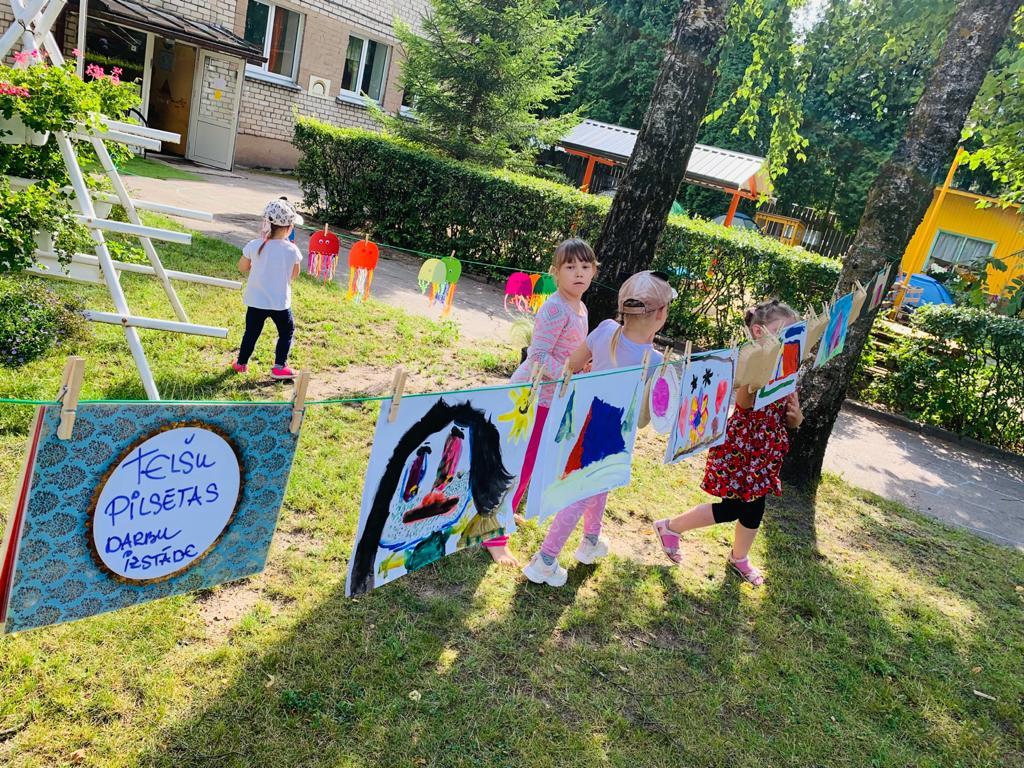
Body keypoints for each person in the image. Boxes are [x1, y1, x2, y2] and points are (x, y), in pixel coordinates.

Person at [522, 270, 677, 587]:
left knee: (599, 484)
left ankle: (591, 541)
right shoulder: (654, 360)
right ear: (661, 314)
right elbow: (654, 413)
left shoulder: (605, 329)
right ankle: (544, 561)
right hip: (613, 431)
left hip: (587, 416)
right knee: (583, 491)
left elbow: (572, 365)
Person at [652, 299, 804, 586]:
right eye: (782, 332)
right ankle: (670, 527)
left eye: (793, 333)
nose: (787, 339)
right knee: (734, 507)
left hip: (766, 451)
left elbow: (793, 416)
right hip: (744, 448)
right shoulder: (752, 364)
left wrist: (796, 417)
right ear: (759, 332)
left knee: (755, 507)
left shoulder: (787, 367)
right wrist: (758, 376)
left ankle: (738, 557)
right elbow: (744, 403)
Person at [483, 238, 598, 567]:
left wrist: (581, 367)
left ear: (594, 271)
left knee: (530, 463)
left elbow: (568, 353)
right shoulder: (555, 308)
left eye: (585, 266)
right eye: (570, 267)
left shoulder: (580, 308)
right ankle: (494, 536)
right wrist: (565, 374)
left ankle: (506, 512)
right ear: (555, 272)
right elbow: (538, 356)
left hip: (552, 399)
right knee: (519, 461)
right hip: (532, 397)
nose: (579, 273)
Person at [233, 199, 303, 379]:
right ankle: (279, 367)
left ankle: (241, 363)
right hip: (280, 304)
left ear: (266, 223)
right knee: (286, 332)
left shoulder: (254, 245)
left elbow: (242, 267)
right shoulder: (292, 250)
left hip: (256, 301)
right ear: (290, 227)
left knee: (251, 332)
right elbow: (294, 275)